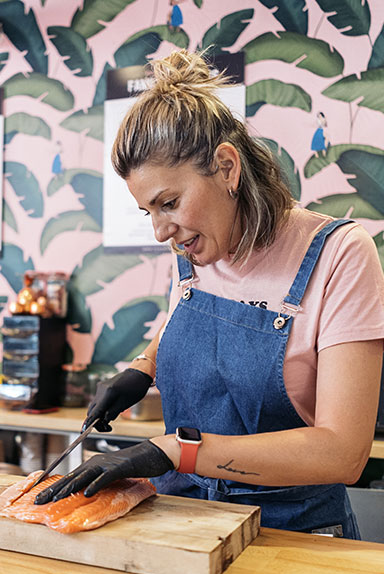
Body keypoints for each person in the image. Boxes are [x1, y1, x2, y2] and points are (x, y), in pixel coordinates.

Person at [35, 48, 384, 539]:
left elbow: (343, 453)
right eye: (148, 212)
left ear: (226, 168)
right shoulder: (194, 249)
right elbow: (197, 323)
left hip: (293, 533)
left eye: (169, 203)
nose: (160, 231)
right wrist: (142, 367)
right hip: (186, 522)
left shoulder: (340, 255)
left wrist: (179, 450)